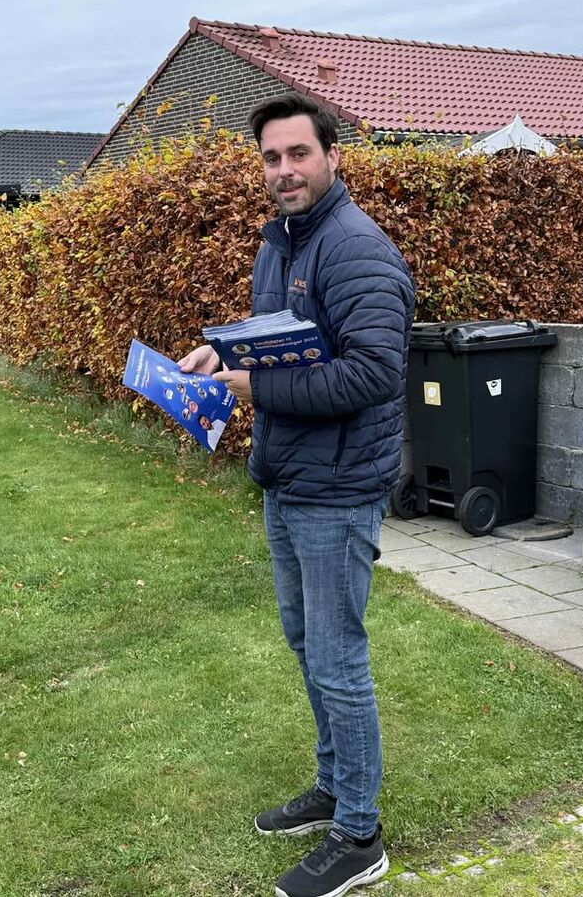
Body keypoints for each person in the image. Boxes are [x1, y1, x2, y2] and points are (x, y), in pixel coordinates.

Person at [178, 92, 414, 897]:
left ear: (332, 156)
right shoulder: (282, 243)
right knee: (307, 643)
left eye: (298, 154)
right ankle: (333, 787)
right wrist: (222, 359)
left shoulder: (357, 250)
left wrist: (254, 387)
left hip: (339, 489)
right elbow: (283, 344)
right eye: (271, 157)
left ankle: (360, 834)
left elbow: (372, 372)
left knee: (339, 659)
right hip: (290, 477)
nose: (284, 170)